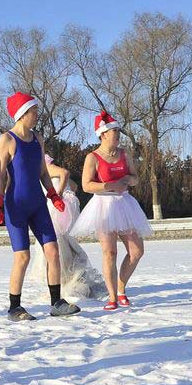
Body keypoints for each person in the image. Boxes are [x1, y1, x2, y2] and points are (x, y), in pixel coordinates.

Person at [0, 93, 80, 320]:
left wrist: (53, 195)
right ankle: (15, 307)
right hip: (16, 206)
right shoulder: (7, 140)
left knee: (53, 252)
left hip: (38, 205)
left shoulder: (37, 139)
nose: (36, 115)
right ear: (22, 113)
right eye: (33, 111)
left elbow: (43, 173)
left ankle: (56, 302)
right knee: (22, 257)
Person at [70, 111, 152, 310]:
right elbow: (86, 185)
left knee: (136, 251)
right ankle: (113, 297)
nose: (118, 134)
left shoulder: (124, 153)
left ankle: (122, 288)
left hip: (125, 204)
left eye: (118, 131)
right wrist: (109, 185)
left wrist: (128, 181)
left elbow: (135, 177)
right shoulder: (93, 157)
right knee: (110, 253)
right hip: (103, 206)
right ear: (103, 134)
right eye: (114, 131)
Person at [28, 163, 107, 302]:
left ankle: (58, 287)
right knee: (59, 248)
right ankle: (59, 285)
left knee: (55, 250)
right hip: (54, 211)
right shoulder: (45, 168)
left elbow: (65, 173)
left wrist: (57, 194)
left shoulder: (45, 165)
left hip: (53, 210)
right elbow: (73, 185)